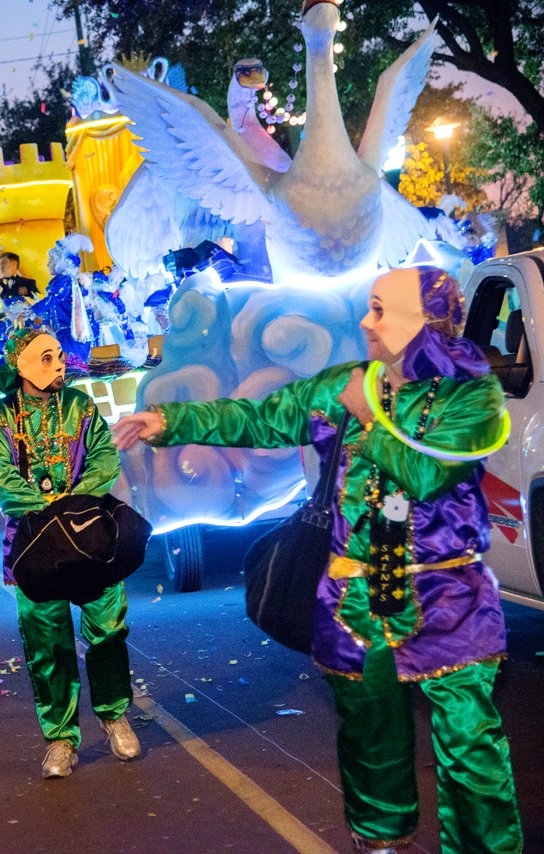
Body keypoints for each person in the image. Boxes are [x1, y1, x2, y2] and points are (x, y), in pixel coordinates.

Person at [112, 266, 522, 853]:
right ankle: (381, 842)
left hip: (447, 595)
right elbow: (261, 416)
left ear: (423, 323)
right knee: (369, 735)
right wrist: (172, 422)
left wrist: (368, 414)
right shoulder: (345, 383)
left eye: (380, 310)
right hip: (356, 595)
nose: (365, 322)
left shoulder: (472, 393)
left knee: (470, 742)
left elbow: (428, 472)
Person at [0, 327, 140, 779]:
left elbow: (104, 458)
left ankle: (113, 715)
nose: (58, 365)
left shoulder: (81, 406)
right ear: (21, 366)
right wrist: (44, 510)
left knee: (108, 627)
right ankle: (61, 739)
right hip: (33, 545)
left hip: (88, 533)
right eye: (45, 358)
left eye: (59, 357)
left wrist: (74, 504)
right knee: (47, 642)